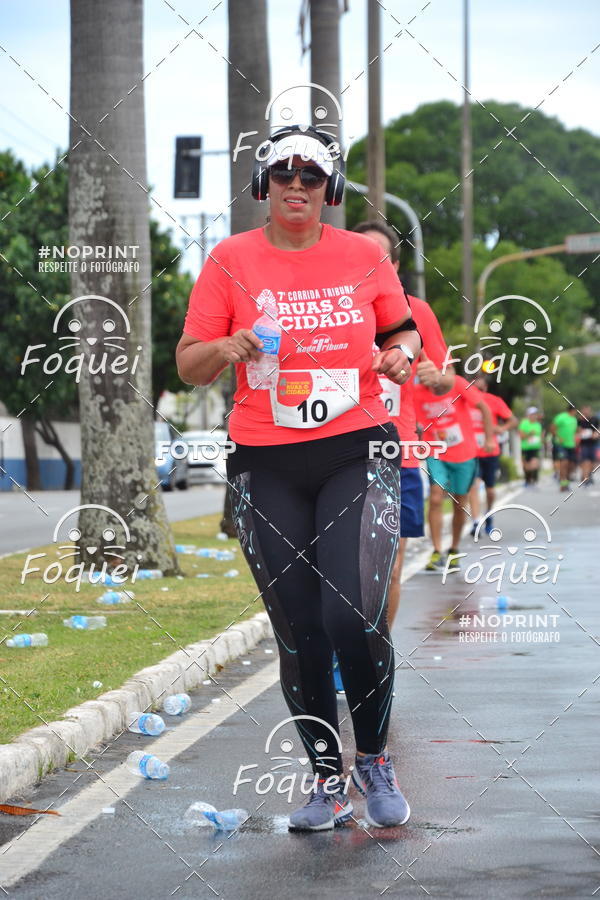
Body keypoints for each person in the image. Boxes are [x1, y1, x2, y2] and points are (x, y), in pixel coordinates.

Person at [176, 125, 423, 831]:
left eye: (310, 177)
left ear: (329, 189)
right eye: (282, 175)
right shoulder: (229, 260)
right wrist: (226, 344)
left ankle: (373, 757)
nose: (295, 186)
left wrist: (402, 355)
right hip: (266, 458)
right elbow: (189, 362)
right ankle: (326, 781)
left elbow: (401, 332)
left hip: (356, 448)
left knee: (353, 613)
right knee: (300, 629)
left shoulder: (361, 257)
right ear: (263, 186)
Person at [352, 221, 454, 625]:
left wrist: (435, 376)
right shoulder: (328, 311)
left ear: (394, 264)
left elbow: (445, 377)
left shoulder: (418, 312)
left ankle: (375, 655)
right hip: (339, 451)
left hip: (399, 457)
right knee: (340, 570)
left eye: (377, 257)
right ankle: (341, 652)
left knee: (388, 569)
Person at [413, 375, 494, 573]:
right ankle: (436, 550)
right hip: (436, 451)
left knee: (460, 503)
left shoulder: (457, 383)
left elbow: (484, 408)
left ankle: (454, 549)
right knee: (435, 498)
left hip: (464, 453)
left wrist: (489, 438)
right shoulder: (416, 392)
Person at [468, 374, 517, 536]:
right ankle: (476, 521)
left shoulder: (494, 401)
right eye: (475, 389)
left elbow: (512, 420)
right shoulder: (464, 400)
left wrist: (501, 429)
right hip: (470, 451)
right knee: (473, 485)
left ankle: (488, 515)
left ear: (486, 388)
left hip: (490, 451)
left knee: (490, 490)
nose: (479, 393)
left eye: (481, 389)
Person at [550, 405, 578, 491]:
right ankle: (562, 483)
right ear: (571, 410)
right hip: (561, 445)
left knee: (571, 465)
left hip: (571, 445)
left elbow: (574, 432)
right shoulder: (561, 417)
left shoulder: (574, 419)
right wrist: (558, 437)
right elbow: (552, 428)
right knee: (564, 463)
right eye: (575, 410)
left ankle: (567, 482)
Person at [519, 407, 543, 486]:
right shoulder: (524, 423)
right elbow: (521, 436)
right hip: (525, 448)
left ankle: (534, 479)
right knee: (526, 466)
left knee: (534, 464)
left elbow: (540, 436)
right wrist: (529, 434)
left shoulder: (538, 425)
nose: (534, 416)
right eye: (532, 414)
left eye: (535, 414)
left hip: (535, 448)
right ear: (528, 415)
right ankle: (527, 479)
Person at [577, 404, 599, 486]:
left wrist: (596, 434)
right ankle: (585, 479)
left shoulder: (594, 419)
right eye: (584, 410)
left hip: (593, 443)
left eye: (587, 410)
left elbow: (597, 430)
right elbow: (577, 431)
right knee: (586, 461)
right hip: (584, 444)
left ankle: (588, 475)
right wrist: (579, 433)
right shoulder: (579, 420)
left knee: (592, 462)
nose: (586, 412)